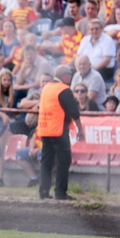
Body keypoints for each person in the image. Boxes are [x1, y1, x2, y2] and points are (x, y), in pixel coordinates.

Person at [37, 65, 84, 201]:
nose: (70, 77)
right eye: (70, 75)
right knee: (63, 161)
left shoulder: (47, 87)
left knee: (46, 161)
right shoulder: (63, 89)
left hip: (45, 129)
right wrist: (80, 129)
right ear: (65, 75)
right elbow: (74, 111)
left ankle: (43, 191)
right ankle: (60, 192)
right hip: (58, 130)